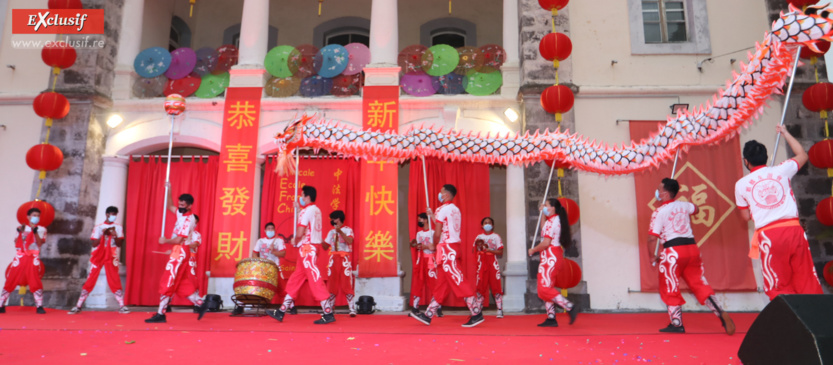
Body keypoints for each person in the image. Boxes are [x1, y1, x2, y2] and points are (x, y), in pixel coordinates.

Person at [734, 126, 823, 299]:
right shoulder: (781, 170)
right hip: (794, 231)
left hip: (770, 235)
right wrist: (785, 132)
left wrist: (762, 210)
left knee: (777, 283)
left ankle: (790, 322)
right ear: (765, 157)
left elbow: (745, 217)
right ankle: (816, 322)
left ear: (746, 161)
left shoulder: (741, 184)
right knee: (806, 279)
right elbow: (803, 155)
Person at [648, 178, 735, 334]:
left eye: (659, 189)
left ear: (665, 193)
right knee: (699, 283)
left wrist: (652, 256)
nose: (657, 192)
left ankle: (677, 323)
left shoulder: (659, 212)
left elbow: (652, 237)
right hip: (692, 249)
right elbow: (696, 209)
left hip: (673, 252)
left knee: (670, 286)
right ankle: (720, 312)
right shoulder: (685, 205)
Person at [411, 184, 485, 328]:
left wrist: (433, 244)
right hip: (453, 247)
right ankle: (428, 314)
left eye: (441, 192)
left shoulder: (442, 209)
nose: (440, 194)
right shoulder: (455, 209)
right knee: (442, 285)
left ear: (446, 194)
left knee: (458, 280)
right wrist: (433, 216)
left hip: (446, 249)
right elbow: (445, 226)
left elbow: (438, 232)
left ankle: (476, 313)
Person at [267, 186, 335, 324]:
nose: (301, 198)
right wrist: (299, 210)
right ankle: (281, 311)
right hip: (312, 248)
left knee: (314, 279)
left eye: (302, 196)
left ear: (307, 197)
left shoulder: (306, 211)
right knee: (296, 279)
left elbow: (300, 232)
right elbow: (308, 224)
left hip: (307, 249)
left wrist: (295, 240)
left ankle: (328, 312)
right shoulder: (317, 210)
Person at [145, 192, 209, 323]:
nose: (180, 206)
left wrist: (166, 241)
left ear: (190, 206)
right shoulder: (180, 213)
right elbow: (169, 206)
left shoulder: (188, 220)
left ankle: (161, 314)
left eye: (183, 205)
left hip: (181, 250)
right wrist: (168, 189)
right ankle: (200, 303)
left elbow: (179, 240)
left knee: (168, 280)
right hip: (178, 251)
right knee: (180, 282)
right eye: (179, 203)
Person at [528, 198, 579, 327]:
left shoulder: (554, 222)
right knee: (546, 288)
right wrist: (542, 215)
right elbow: (543, 228)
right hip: (548, 256)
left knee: (544, 288)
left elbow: (545, 242)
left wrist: (533, 249)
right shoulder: (552, 220)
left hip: (550, 256)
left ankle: (569, 306)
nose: (544, 207)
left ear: (553, 208)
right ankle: (551, 317)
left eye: (546, 206)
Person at [69, 206, 129, 314]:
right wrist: (103, 234)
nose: (113, 216)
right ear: (107, 214)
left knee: (114, 278)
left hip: (112, 254)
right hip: (99, 255)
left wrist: (114, 236)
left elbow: (119, 244)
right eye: (112, 214)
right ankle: (78, 305)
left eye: (115, 214)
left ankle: (122, 305)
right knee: (91, 277)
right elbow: (94, 244)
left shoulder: (118, 227)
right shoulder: (99, 227)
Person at [232, 222, 288, 315]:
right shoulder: (260, 241)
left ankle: (290, 306)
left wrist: (273, 251)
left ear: (274, 230)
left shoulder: (279, 240)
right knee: (250, 285)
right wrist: (257, 262)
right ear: (265, 231)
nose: (270, 230)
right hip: (261, 268)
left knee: (282, 289)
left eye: (272, 229)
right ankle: (240, 306)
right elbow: (254, 253)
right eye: (268, 229)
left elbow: (283, 253)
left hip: (274, 267)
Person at [0, 208, 47, 314]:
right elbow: (16, 242)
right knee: (11, 278)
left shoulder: (42, 229)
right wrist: (20, 232)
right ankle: (1, 304)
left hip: (33, 257)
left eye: (38, 215)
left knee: (35, 279)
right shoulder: (21, 227)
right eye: (34, 215)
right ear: (28, 216)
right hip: (20, 257)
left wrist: (35, 233)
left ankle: (39, 306)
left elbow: (40, 243)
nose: (36, 217)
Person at [409, 213, 443, 317]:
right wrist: (419, 246)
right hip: (421, 260)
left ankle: (437, 308)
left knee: (434, 284)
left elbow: (436, 246)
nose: (419, 221)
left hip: (431, 261)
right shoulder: (419, 234)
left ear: (426, 220)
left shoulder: (433, 233)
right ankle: (415, 307)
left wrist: (427, 246)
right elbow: (419, 246)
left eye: (420, 219)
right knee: (417, 283)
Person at [324, 210, 357, 317]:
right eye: (331, 219)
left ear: (339, 219)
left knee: (346, 282)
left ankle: (352, 308)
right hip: (333, 258)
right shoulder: (331, 232)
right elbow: (325, 246)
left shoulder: (348, 230)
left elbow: (350, 241)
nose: (332, 221)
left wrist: (340, 232)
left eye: (334, 218)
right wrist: (318, 239)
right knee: (332, 282)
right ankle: (331, 307)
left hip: (344, 258)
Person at [474, 217, 504, 318]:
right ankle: (478, 310)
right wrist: (480, 248)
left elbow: (500, 252)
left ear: (493, 225)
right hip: (482, 262)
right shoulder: (479, 237)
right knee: (481, 285)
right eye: (485, 223)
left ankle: (499, 309)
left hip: (492, 262)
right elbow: (474, 250)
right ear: (482, 225)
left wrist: (489, 250)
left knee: (496, 285)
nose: (487, 224)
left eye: (489, 223)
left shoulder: (496, 237)